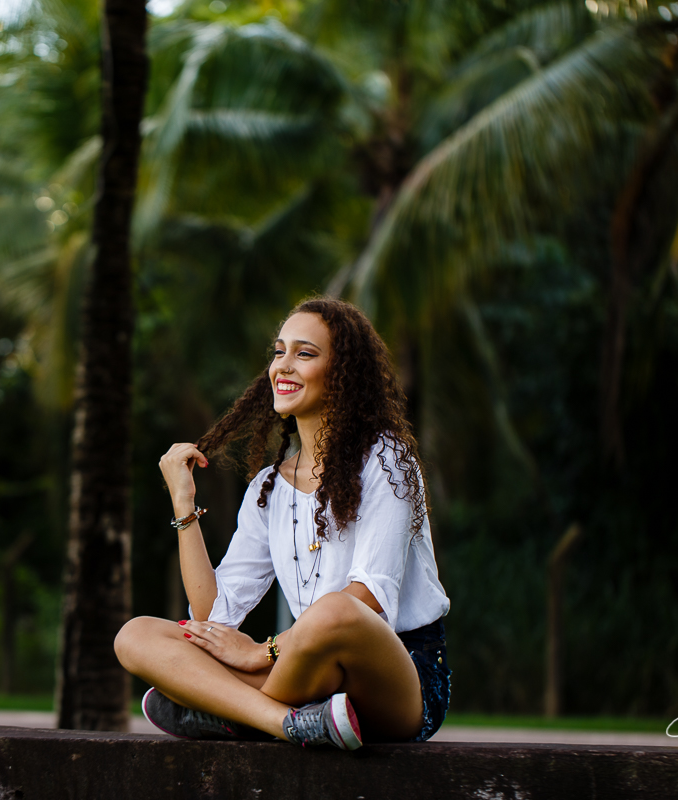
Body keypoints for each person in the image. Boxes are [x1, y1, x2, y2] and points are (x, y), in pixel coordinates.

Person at [115, 296, 450, 750]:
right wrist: (183, 503)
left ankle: (219, 706)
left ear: (344, 374)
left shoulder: (388, 460)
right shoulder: (268, 489)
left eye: (304, 353)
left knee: (334, 610)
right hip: (307, 672)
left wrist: (262, 651)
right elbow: (212, 616)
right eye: (279, 352)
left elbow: (369, 598)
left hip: (396, 676)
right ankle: (286, 723)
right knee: (136, 636)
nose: (283, 366)